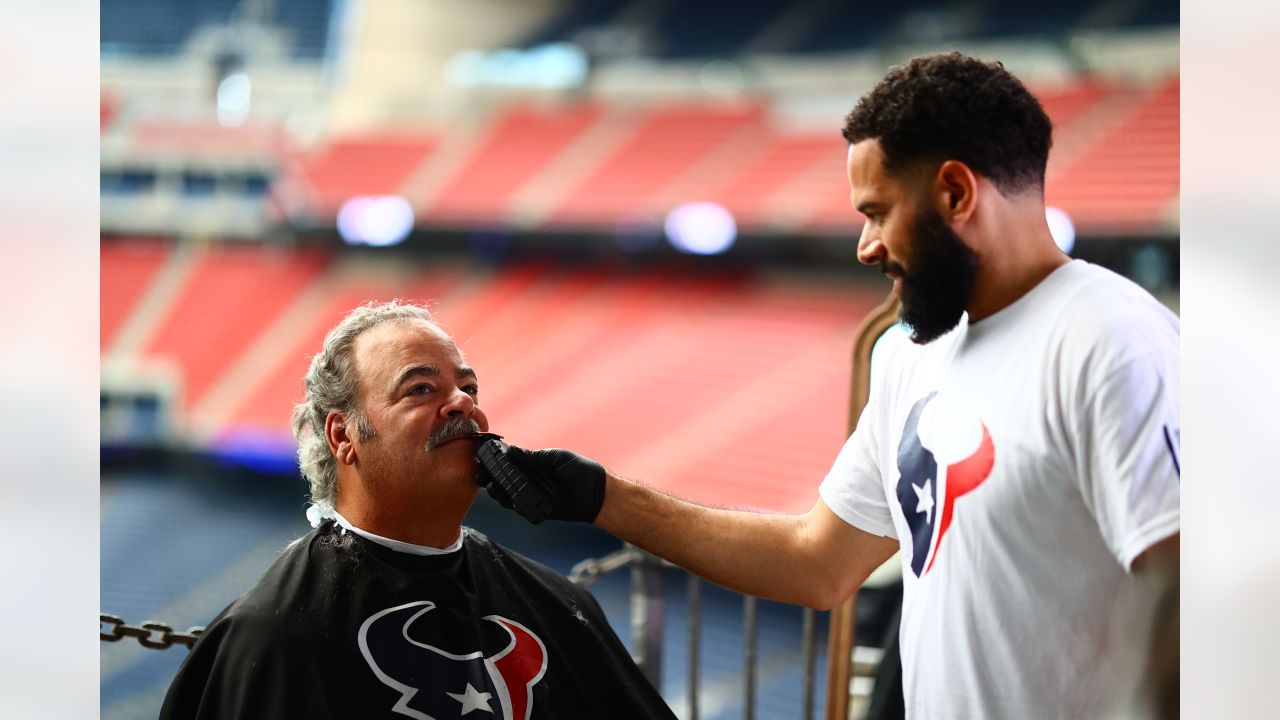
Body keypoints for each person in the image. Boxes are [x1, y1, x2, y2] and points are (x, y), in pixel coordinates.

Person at [478, 52, 1180, 718]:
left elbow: (1198, 597)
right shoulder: (914, 357)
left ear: (956, 192)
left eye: (876, 212)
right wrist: (603, 496)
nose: (865, 247)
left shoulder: (1110, 342)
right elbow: (815, 563)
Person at [160, 302, 676, 720]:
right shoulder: (268, 637)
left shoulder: (560, 604)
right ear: (344, 436)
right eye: (421, 389)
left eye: (468, 388)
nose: (462, 404)